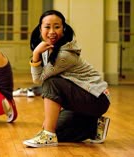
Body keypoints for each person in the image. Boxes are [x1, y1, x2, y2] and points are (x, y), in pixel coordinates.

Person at [23, 10, 110, 148]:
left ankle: (48, 136)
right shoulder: (49, 48)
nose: (52, 31)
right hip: (82, 98)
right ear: (40, 28)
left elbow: (38, 79)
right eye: (47, 27)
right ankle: (93, 127)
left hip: (97, 98)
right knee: (57, 130)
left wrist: (35, 54)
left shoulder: (64, 55)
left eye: (57, 27)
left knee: (51, 83)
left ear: (63, 29)